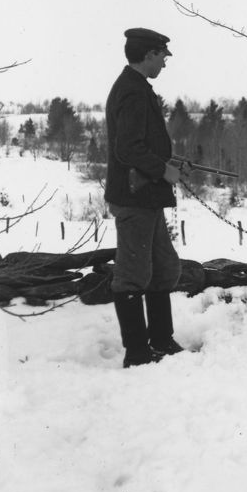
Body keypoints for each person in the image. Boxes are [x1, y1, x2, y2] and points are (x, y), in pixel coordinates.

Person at [105, 27, 187, 368]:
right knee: (132, 275)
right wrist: (163, 170)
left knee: (163, 268)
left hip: (146, 196)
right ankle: (137, 353)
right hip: (135, 197)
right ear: (148, 54)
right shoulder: (134, 92)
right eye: (162, 57)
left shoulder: (137, 88)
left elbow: (140, 145)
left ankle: (162, 340)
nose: (165, 63)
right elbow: (127, 149)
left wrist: (167, 162)